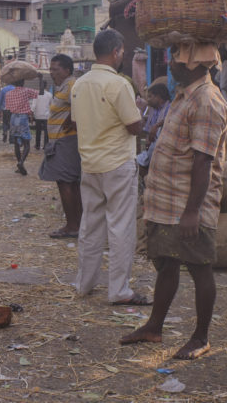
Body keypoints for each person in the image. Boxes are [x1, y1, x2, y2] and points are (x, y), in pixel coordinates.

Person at [120, 45, 227, 360]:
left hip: (188, 205)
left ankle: (201, 337)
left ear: (196, 64)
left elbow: (203, 162)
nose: (172, 66)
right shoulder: (185, 94)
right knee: (167, 263)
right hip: (167, 202)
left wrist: (193, 212)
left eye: (177, 61)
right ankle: (154, 327)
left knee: (199, 267)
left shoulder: (207, 101)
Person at [71, 29, 149, 305]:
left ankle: (84, 283)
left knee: (90, 226)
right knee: (120, 228)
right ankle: (118, 290)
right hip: (116, 162)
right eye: (122, 52)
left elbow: (77, 122)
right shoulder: (118, 85)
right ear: (116, 51)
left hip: (90, 163)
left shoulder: (80, 84)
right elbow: (134, 126)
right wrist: (139, 109)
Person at [39, 54, 82, 239]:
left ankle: (72, 225)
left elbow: (80, 106)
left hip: (66, 141)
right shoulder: (64, 86)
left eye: (55, 69)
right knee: (70, 184)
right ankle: (76, 224)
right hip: (62, 141)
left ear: (67, 70)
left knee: (66, 183)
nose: (52, 72)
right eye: (51, 69)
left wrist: (72, 119)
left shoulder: (72, 85)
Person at [5, 80, 38, 176]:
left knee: (16, 143)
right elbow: (40, 93)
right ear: (23, 83)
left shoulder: (9, 94)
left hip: (13, 118)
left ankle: (19, 164)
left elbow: (7, 109)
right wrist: (39, 79)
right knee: (27, 143)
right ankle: (21, 162)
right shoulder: (26, 91)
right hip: (23, 118)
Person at [136, 83, 171, 171]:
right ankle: (144, 157)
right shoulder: (152, 109)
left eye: (150, 97)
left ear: (158, 97)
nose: (148, 100)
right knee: (142, 139)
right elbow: (146, 130)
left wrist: (156, 126)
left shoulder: (169, 108)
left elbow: (168, 121)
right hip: (150, 141)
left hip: (161, 143)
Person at [31, 77, 51, 150]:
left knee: (38, 132)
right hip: (46, 116)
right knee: (46, 132)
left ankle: (37, 145)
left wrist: (31, 115)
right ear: (46, 86)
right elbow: (51, 105)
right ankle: (45, 145)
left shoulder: (36, 94)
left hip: (38, 116)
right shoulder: (49, 95)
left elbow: (33, 105)